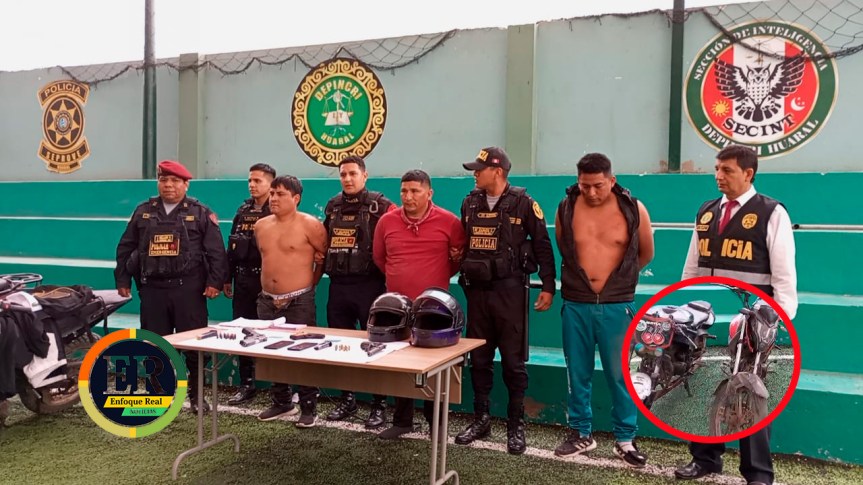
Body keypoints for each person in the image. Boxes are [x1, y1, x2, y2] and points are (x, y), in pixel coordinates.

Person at [675, 144, 797, 485]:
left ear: (748, 173)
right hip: (711, 316)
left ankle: (758, 473)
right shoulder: (706, 211)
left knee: (751, 394)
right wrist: (685, 305)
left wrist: (778, 320)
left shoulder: (771, 213)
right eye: (717, 169)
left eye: (726, 170)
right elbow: (693, 267)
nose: (718, 176)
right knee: (705, 384)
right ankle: (705, 459)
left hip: (753, 320)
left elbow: (784, 276)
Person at [552, 153, 655, 467]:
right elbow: (564, 248)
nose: (592, 192)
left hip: (617, 306)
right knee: (577, 373)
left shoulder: (633, 208)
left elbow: (646, 253)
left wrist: (617, 283)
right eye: (585, 186)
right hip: (576, 304)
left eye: (598, 185)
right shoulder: (566, 208)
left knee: (621, 375)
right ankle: (580, 433)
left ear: (611, 180)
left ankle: (625, 439)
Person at [454, 147, 556, 455]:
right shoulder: (469, 202)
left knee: (513, 363)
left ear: (497, 172)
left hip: (510, 293)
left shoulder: (524, 203)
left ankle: (515, 424)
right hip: (477, 294)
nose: (475, 174)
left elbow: (542, 245)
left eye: (479, 169)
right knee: (479, 360)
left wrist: (548, 286)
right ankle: (481, 419)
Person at [114, 160, 228, 413]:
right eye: (163, 180)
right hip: (153, 290)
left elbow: (216, 251)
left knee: (194, 345)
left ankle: (197, 395)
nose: (168, 185)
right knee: (155, 344)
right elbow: (126, 247)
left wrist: (215, 282)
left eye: (175, 181)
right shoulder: (143, 211)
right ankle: (159, 393)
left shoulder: (200, 212)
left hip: (188, 290)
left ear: (186, 185)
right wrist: (122, 279)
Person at [372, 169, 466, 439]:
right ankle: (402, 421)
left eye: (415, 191)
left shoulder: (449, 222)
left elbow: (457, 259)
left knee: (434, 367)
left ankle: (436, 423)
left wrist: (432, 284)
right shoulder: (386, 222)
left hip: (434, 311)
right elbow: (379, 258)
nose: (408, 196)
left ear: (429, 193)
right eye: (404, 191)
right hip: (396, 309)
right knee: (400, 365)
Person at [323, 156, 396, 428]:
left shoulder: (381, 206)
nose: (347, 179)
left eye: (353, 174)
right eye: (343, 174)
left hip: (370, 287)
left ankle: (379, 404)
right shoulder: (332, 207)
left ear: (364, 175)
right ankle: (347, 399)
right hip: (339, 287)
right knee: (341, 346)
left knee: (375, 346)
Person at [254, 175, 329, 427]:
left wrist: (309, 286)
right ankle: (282, 402)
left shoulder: (311, 225)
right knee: (271, 352)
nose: (273, 198)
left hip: (299, 299)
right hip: (267, 300)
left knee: (303, 353)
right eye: (272, 193)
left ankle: (309, 407)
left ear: (296, 198)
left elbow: (323, 257)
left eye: (281, 194)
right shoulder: (260, 226)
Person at [223, 163, 276, 406]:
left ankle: (279, 386)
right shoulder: (242, 210)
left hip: (267, 281)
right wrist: (227, 277)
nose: (252, 185)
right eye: (250, 181)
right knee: (243, 331)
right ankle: (246, 383)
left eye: (258, 181)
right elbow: (232, 246)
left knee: (271, 333)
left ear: (271, 184)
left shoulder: (276, 211)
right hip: (243, 279)